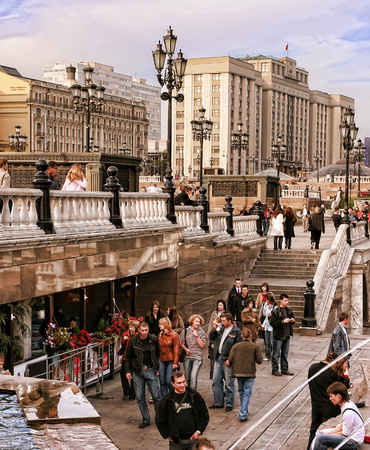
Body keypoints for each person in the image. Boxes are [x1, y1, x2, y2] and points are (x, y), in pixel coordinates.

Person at [155, 371, 209, 449]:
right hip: (176, 442)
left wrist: (198, 431)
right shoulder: (166, 400)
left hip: (193, 440)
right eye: (179, 383)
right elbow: (159, 419)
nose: (182, 385)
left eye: (184, 381)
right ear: (173, 384)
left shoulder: (194, 396)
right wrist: (168, 435)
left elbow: (204, 414)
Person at [125, 321, 161, 428]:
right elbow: (128, 356)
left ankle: (159, 418)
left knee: (156, 395)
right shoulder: (133, 340)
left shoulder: (153, 339)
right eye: (142, 330)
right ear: (139, 330)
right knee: (140, 397)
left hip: (150, 369)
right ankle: (146, 419)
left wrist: (157, 366)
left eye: (146, 330)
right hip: (137, 371)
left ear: (148, 330)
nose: (144, 332)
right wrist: (128, 371)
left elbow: (158, 352)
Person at [312, 382, 364, 450]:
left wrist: (329, 435)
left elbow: (345, 433)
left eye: (331, 396)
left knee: (320, 439)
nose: (330, 399)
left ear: (338, 396)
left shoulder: (348, 413)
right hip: (351, 436)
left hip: (354, 442)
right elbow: (343, 424)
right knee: (321, 435)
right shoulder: (347, 404)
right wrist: (331, 432)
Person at [307, 351, 341, 449]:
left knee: (313, 430)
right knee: (326, 432)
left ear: (325, 358)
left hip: (315, 405)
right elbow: (338, 389)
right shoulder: (331, 373)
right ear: (334, 362)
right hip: (328, 407)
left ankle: (310, 447)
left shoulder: (312, 367)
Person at [227, 328, 263, 422]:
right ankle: (243, 413)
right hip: (250, 372)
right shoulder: (254, 346)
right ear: (250, 336)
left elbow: (230, 358)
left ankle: (244, 410)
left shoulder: (236, 346)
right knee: (247, 393)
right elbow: (259, 360)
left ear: (242, 336)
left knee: (241, 391)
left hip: (238, 372)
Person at [209, 312, 242, 412]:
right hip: (218, 358)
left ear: (229, 321)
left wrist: (230, 359)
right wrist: (215, 329)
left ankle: (229, 403)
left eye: (223, 321)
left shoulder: (236, 331)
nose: (222, 322)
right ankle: (218, 402)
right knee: (215, 381)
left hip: (227, 360)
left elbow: (237, 348)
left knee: (229, 383)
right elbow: (211, 337)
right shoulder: (221, 329)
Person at [269, 294, 295, 376]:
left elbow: (293, 318)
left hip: (287, 334)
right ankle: (275, 369)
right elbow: (272, 323)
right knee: (276, 353)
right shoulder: (276, 311)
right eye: (285, 301)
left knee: (285, 353)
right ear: (281, 300)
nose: (286, 302)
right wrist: (282, 322)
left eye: (287, 301)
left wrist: (292, 320)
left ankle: (285, 369)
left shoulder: (289, 310)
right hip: (279, 335)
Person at [180, 314, 206, 391]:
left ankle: (192, 396)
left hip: (197, 358)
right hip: (187, 357)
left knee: (193, 378)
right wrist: (186, 349)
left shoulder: (202, 332)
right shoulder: (185, 331)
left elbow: (202, 345)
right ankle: (190, 392)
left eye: (199, 322)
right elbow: (181, 342)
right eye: (196, 321)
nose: (198, 323)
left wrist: (197, 336)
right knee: (188, 378)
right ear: (192, 322)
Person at [158, 317, 180, 396]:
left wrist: (175, 362)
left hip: (171, 359)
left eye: (161, 324)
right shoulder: (160, 334)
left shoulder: (174, 334)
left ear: (165, 325)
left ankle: (173, 395)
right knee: (162, 380)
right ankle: (164, 398)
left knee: (168, 380)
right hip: (161, 359)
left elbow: (176, 349)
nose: (159, 326)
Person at [118, 320, 139, 400]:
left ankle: (132, 395)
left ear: (136, 328)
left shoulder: (138, 336)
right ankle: (126, 392)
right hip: (125, 357)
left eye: (132, 327)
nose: (130, 329)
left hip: (134, 359)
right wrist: (124, 339)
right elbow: (122, 343)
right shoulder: (125, 334)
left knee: (134, 376)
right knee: (123, 375)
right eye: (129, 327)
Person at [207, 300, 226, 379]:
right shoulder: (214, 313)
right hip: (214, 337)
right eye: (218, 305)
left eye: (221, 305)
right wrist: (212, 329)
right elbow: (210, 326)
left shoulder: (225, 314)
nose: (219, 306)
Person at [261, 294, 277, 361]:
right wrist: (263, 325)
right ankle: (268, 356)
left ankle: (275, 356)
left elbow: (276, 317)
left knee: (272, 342)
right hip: (267, 325)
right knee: (267, 342)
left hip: (272, 326)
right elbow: (266, 318)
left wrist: (272, 314)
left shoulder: (275, 307)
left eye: (267, 299)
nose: (266, 301)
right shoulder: (267, 306)